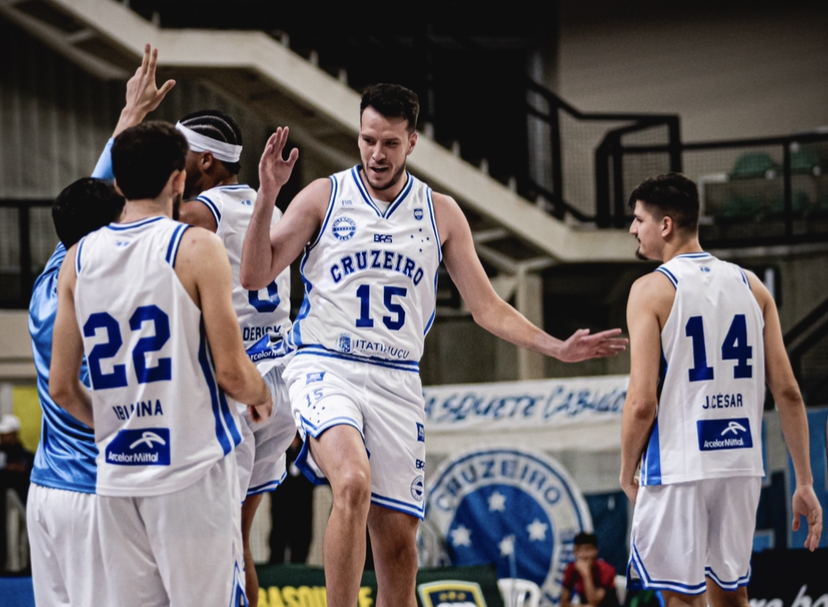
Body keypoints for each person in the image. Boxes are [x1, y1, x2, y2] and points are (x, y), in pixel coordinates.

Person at [241, 83, 628, 607]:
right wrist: (267, 194)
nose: (376, 154)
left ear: (412, 142)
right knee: (351, 482)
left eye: (390, 143)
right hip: (325, 365)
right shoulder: (323, 196)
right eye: (367, 139)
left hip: (398, 379)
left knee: (399, 548)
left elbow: (487, 307)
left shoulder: (439, 211)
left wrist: (556, 347)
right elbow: (254, 273)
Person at [49, 121, 272, 607]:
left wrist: (114, 424)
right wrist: (263, 395)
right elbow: (232, 372)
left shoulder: (78, 258)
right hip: (189, 471)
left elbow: (62, 387)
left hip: (116, 475)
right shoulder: (194, 247)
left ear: (119, 185)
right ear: (177, 179)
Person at [620, 173, 822, 605]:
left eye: (638, 219)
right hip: (739, 463)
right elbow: (787, 392)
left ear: (666, 225)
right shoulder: (752, 285)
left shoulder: (650, 290)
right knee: (731, 592)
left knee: (681, 597)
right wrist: (804, 482)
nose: (633, 229)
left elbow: (641, 403)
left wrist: (626, 468)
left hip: (679, 467)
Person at [26, 44, 173, 607]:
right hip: (96, 491)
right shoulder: (107, 293)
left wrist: (128, 116)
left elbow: (92, 192)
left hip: (47, 493)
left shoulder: (54, 271)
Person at [175, 109, 297, 607]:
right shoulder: (271, 206)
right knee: (237, 539)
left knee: (214, 542)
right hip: (282, 380)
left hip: (240, 384)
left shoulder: (201, 211)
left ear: (205, 159)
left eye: (177, 151)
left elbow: (134, 224)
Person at [269, 433, 315, 565]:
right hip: (281, 511)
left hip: (303, 512)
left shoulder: (308, 453)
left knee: (301, 547)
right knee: (278, 546)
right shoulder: (279, 453)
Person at [561, 532, 618, 607]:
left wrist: (586, 575)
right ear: (575, 552)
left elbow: (594, 602)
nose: (584, 555)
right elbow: (563, 603)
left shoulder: (607, 570)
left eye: (588, 550)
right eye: (580, 550)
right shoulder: (571, 569)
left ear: (596, 551)